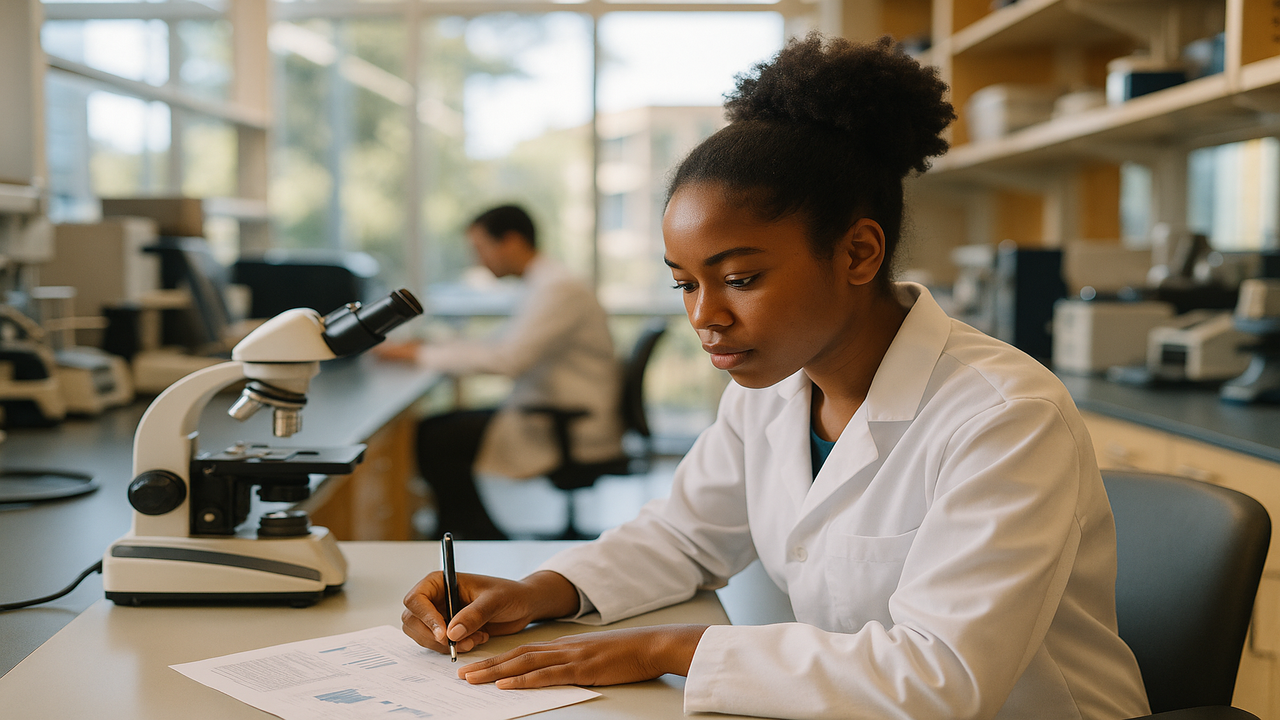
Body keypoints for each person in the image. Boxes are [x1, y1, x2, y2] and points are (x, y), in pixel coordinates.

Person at [400, 35, 1150, 719]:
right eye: (685, 284)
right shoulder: (773, 392)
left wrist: (666, 649)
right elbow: (685, 536)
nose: (705, 317)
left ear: (858, 254)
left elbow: (940, 673)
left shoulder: (1002, 415)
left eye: (742, 278)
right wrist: (538, 593)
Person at [381, 204, 622, 540]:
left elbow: (509, 360)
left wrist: (420, 353)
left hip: (565, 420)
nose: (478, 261)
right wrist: (429, 348)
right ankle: (470, 529)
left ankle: (475, 534)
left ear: (510, 241)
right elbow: (500, 345)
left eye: (480, 248)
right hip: (550, 409)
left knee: (435, 437)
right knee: (435, 430)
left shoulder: (558, 289)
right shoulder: (545, 283)